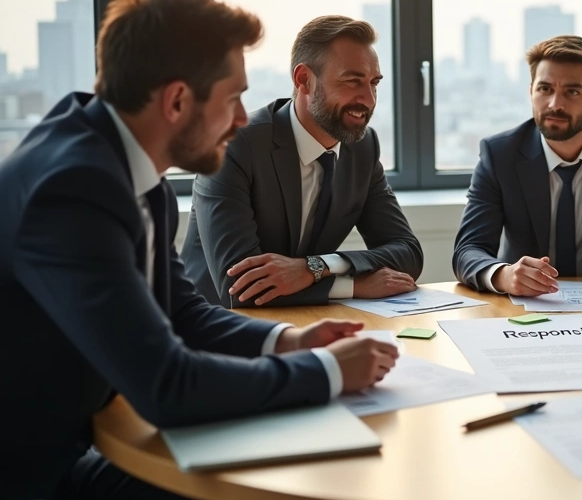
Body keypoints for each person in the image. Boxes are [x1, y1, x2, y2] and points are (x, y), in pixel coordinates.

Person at [0, 0, 399, 500]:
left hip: (61, 457)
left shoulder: (131, 170)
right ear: (175, 101)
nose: (243, 119)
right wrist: (326, 372)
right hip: (7, 495)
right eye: (231, 98)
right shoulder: (72, 188)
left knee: (253, 493)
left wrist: (290, 340)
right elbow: (167, 387)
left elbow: (182, 310)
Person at [181, 15, 423, 308]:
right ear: (304, 80)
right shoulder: (234, 146)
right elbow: (240, 287)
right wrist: (352, 285)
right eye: (352, 81)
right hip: (213, 329)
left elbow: (407, 253)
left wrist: (315, 267)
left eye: (374, 83)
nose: (369, 99)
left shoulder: (362, 147)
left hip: (301, 321)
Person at [452, 35, 582, 300]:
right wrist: (504, 275)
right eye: (545, 89)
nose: (555, 104)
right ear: (531, 91)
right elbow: (468, 249)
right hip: (525, 307)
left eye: (572, 92)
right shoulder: (499, 154)